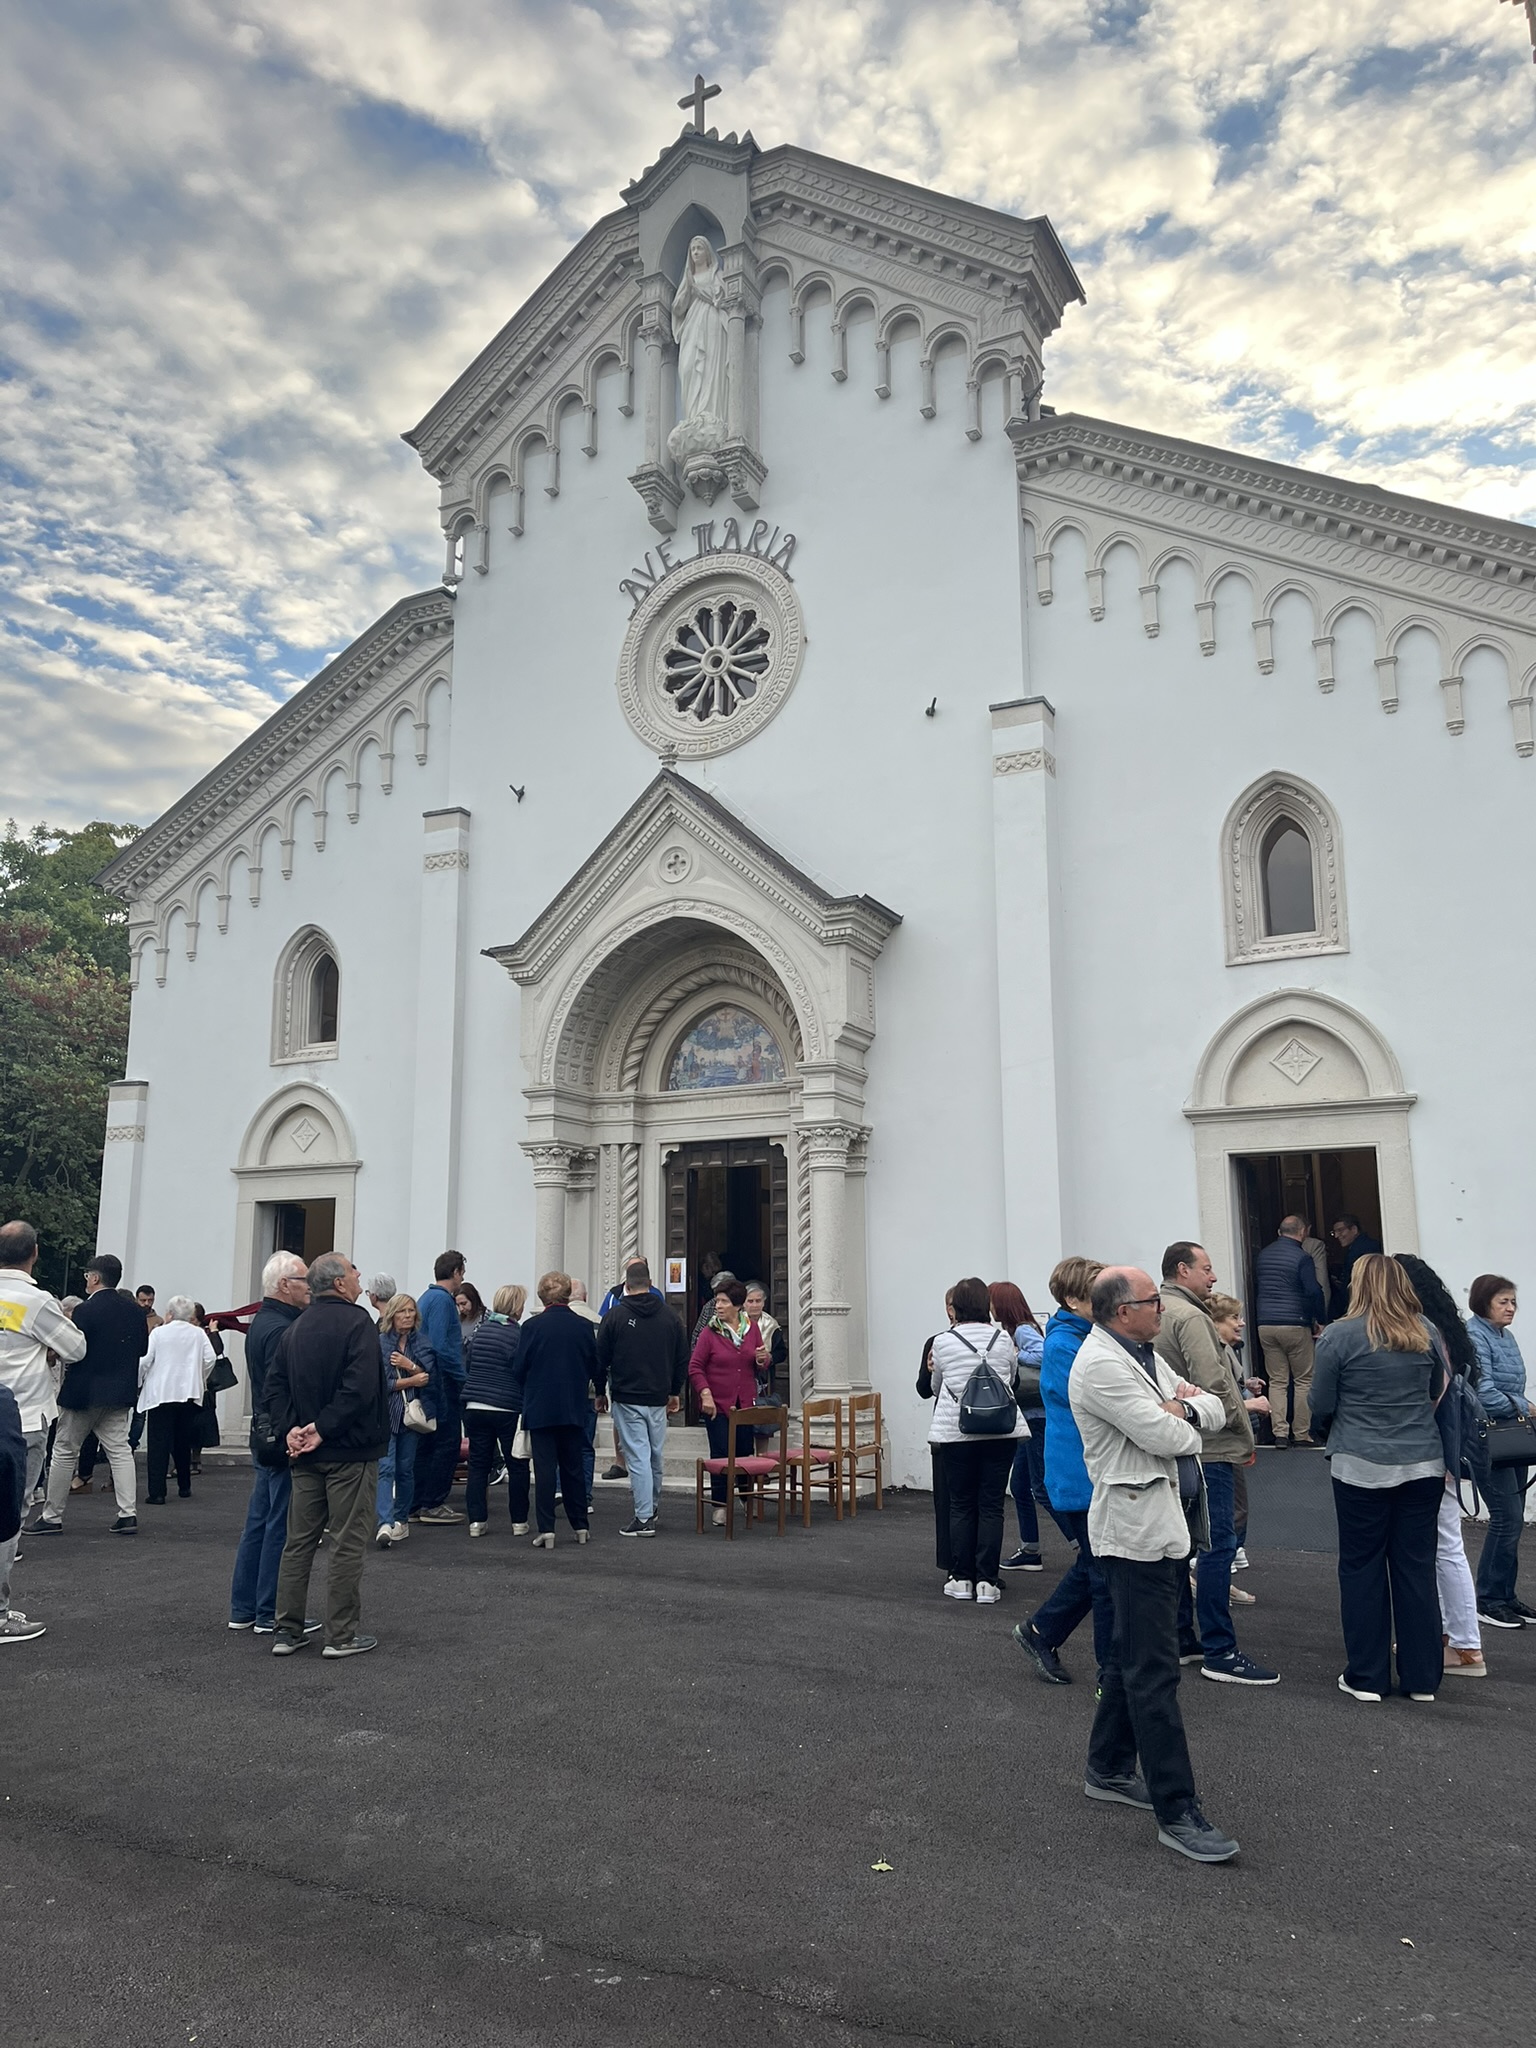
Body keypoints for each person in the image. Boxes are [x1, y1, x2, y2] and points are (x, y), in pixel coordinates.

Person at [1069, 1266, 1239, 1864]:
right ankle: (1177, 1809)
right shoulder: (1103, 1366)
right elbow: (1168, 1435)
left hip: (1160, 1527)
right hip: (1132, 1534)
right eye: (1151, 1302)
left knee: (1131, 1655)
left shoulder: (1139, 1353)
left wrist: (1183, 1410)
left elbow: (1216, 1407)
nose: (1162, 1309)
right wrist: (1182, 1414)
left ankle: (1109, 1767)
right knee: (1155, 1669)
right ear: (1122, 1311)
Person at [1311, 1254, 1444, 1704]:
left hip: (1360, 1463)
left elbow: (1321, 1401)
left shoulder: (1339, 1335)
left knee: (1362, 1566)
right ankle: (1422, 1677)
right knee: (1415, 1568)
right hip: (1422, 1462)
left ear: (1358, 1285)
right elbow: (1434, 1391)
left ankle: (1367, 1676)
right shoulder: (1425, 1331)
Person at [1156, 1243, 1277, 1686]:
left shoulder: (1161, 1311)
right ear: (1183, 1269)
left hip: (1180, 1443)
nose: (1214, 1277)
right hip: (1211, 1445)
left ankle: (1185, 1639)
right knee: (1217, 1545)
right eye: (1207, 1269)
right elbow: (1215, 1385)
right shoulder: (1190, 1317)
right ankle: (1220, 1650)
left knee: (1186, 1544)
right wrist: (1244, 1418)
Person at [264, 1252, 388, 1657]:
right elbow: (361, 1386)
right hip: (349, 1450)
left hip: (305, 1452)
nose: (358, 1276)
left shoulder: (295, 1328)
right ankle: (341, 1634)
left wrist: (292, 1431)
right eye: (354, 1271)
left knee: (298, 1541)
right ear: (338, 1283)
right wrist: (322, 1428)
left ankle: (286, 1629)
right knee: (347, 1541)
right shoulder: (358, 1324)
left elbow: (275, 1388)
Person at [1013, 1257, 1114, 1684]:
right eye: (1099, 1292)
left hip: (1088, 1471)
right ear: (1073, 1299)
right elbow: (1092, 1401)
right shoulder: (1065, 1345)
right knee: (1104, 1572)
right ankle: (1112, 1672)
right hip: (1080, 1474)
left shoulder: (1084, 1335)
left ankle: (1041, 1631)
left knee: (1097, 1567)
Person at [1392, 1253, 1485, 1676]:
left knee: (1446, 1546)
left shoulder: (1423, 1332)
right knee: (1445, 1545)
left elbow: (1432, 1395)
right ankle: (1455, 1636)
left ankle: (1466, 1643)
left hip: (1433, 1450)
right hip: (1448, 1448)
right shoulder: (1447, 1329)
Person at [0, 1220, 86, 1644]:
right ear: (34, 1253)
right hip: (22, 1417)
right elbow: (76, 1347)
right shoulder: (36, 1300)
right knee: (9, 1514)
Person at [926, 1275, 1028, 1604]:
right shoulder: (1003, 1339)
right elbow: (1012, 1379)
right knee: (992, 1505)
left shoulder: (942, 1342)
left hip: (958, 1432)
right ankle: (988, 1581)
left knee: (961, 1504)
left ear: (955, 1307)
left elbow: (936, 1386)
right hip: (1001, 1431)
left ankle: (961, 1577)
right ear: (987, 1306)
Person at [34, 1253, 145, 1536]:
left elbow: (73, 1350)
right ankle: (127, 1513)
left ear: (95, 1278)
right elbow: (142, 1349)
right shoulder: (134, 1311)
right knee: (119, 1451)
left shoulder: (85, 1311)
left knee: (64, 1451)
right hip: (120, 1392)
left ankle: (52, 1515)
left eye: (87, 1276)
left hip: (84, 1392)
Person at [228, 1251, 310, 1634]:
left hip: (264, 1431)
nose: (309, 1287)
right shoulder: (282, 1328)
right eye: (303, 1281)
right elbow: (287, 1387)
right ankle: (268, 1611)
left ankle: (244, 1608)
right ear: (284, 1285)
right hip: (281, 1433)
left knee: (259, 1522)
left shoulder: (265, 1321)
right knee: (279, 1523)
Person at [594, 1259, 688, 1537]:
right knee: (654, 1455)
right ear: (650, 1284)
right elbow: (682, 1357)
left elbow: (600, 1359)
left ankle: (644, 1516)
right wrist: (675, 1391)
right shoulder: (670, 1317)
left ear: (626, 1285)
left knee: (637, 1456)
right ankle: (652, 1507)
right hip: (658, 1396)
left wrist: (600, 1391)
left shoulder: (615, 1316)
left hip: (627, 1394)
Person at [1466, 1271, 1533, 1631]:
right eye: (1503, 1301)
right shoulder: (1475, 1335)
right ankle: (1489, 1599)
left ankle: (1506, 1596)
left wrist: (1520, 1406)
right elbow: (1484, 1393)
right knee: (1506, 1518)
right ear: (1483, 1302)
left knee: (1515, 1518)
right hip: (1487, 1438)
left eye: (1513, 1301)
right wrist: (1526, 1406)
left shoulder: (1503, 1336)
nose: (1511, 1308)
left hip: (1511, 1434)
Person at [509, 1271, 596, 1547]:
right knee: (573, 1467)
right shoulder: (582, 1326)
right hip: (573, 1404)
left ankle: (547, 1529)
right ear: (568, 1294)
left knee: (545, 1470)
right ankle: (580, 1525)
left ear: (542, 1297)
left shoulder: (532, 1327)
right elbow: (594, 1364)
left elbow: (519, 1367)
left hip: (541, 1406)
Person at [1206, 1295, 1265, 1603]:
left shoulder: (1226, 1351)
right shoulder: (1214, 1353)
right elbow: (1214, 1400)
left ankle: (1223, 1566)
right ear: (1216, 1324)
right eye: (1234, 1318)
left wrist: (1248, 1386)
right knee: (1232, 1512)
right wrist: (1251, 1403)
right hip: (1221, 1444)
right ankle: (1215, 1573)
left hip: (1232, 1441)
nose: (1241, 1322)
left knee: (1235, 1510)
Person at [689, 1279, 760, 1529]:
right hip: (717, 1403)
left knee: (743, 1453)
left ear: (737, 1306)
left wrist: (764, 1359)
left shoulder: (751, 1329)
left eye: (723, 1301)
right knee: (720, 1454)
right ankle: (720, 1504)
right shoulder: (710, 1332)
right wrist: (705, 1393)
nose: (717, 1305)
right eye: (717, 1300)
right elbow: (695, 1366)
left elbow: (757, 1361)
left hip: (744, 1402)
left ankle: (744, 1498)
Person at [462, 1284, 530, 1537]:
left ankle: (477, 1522)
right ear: (516, 1307)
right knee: (517, 1463)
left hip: (474, 1404)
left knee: (478, 1464)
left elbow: (469, 1364)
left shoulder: (481, 1331)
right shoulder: (517, 1334)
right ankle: (519, 1521)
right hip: (505, 1406)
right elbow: (521, 1369)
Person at [1253, 1216, 1327, 1447]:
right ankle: (1302, 1433)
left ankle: (1280, 1433)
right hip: (1295, 1323)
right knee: (1304, 1379)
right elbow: (1314, 1291)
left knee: (1277, 1380)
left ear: (1278, 1231)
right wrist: (1320, 1320)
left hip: (1266, 1323)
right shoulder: (1302, 1257)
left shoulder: (1263, 1255)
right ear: (1303, 1232)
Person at [991, 1281, 1049, 1572]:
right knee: (1022, 1486)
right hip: (1029, 1417)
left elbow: (1043, 1353)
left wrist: (1014, 1355)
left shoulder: (1022, 1330)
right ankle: (1030, 1549)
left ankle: (1082, 1544)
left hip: (1035, 1417)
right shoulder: (1019, 1329)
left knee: (1039, 1487)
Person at [137, 1296, 216, 1502]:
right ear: (190, 1315)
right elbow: (210, 1358)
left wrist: (139, 1380)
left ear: (169, 1314)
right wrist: (199, 1378)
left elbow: (146, 1360)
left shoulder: (159, 1333)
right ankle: (184, 1485)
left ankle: (157, 1492)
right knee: (183, 1441)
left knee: (158, 1443)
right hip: (188, 1392)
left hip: (161, 1392)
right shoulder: (198, 1333)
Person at [375, 1294, 437, 1545]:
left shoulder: (421, 1342)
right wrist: (412, 1379)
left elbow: (429, 1375)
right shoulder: (380, 1343)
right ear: (392, 1315)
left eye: (411, 1311)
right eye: (403, 1311)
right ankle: (385, 1522)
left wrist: (410, 1366)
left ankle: (401, 1518)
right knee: (385, 1468)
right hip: (386, 1414)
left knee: (406, 1469)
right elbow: (380, 1383)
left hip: (412, 1415)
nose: (408, 1315)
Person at [412, 1251, 467, 1523]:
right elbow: (441, 1347)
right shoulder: (443, 1302)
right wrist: (462, 1377)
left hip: (428, 1377)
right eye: (462, 1273)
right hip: (442, 1380)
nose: (463, 1278)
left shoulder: (426, 1297)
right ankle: (432, 1503)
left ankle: (415, 1503)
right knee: (446, 1442)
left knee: (426, 1442)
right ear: (455, 1272)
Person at [918, 1289, 957, 1581]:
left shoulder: (939, 1342)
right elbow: (923, 1389)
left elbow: (925, 1389)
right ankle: (974, 1567)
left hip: (946, 1429)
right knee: (980, 1503)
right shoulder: (998, 1340)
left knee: (950, 1499)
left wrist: (934, 1373)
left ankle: (957, 1564)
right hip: (977, 1428)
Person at [569, 1281, 603, 1505]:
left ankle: (561, 1489)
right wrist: (601, 1390)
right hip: (589, 1393)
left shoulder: (560, 1319)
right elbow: (600, 1362)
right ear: (586, 1296)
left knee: (563, 1443)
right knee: (585, 1446)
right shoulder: (599, 1321)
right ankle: (585, 1495)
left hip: (565, 1392)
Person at [1330, 1215, 1382, 1318]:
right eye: (1334, 1232)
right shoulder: (1358, 1247)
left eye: (1340, 1230)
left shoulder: (1363, 1249)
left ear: (1354, 1229)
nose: (1336, 1235)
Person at [456, 1281, 486, 1348]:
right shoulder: (457, 1321)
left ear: (473, 1300)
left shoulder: (488, 1319)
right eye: (458, 1305)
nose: (461, 1309)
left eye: (464, 1304)